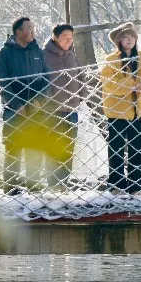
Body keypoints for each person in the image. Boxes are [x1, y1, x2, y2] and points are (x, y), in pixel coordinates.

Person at [100, 22, 141, 194]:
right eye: (125, 37)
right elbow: (109, 85)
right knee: (116, 150)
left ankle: (136, 187)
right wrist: (131, 84)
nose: (129, 40)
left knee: (137, 150)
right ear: (119, 41)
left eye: (132, 37)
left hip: (138, 111)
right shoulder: (111, 60)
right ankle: (116, 186)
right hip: (117, 112)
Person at [0, 16, 50, 194]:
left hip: (36, 108)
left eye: (33, 28)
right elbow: (1, 82)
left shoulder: (37, 51)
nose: (33, 32)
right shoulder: (4, 53)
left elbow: (47, 78)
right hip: (13, 109)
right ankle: (10, 188)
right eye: (29, 28)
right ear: (18, 32)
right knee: (13, 149)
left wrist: (39, 100)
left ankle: (34, 187)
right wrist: (16, 105)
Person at [42, 23, 86, 189]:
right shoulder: (43, 55)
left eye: (70, 38)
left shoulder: (72, 56)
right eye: (64, 37)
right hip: (51, 111)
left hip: (71, 110)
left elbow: (81, 77)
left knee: (68, 149)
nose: (68, 41)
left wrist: (81, 98)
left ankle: (64, 184)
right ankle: (53, 184)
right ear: (55, 37)